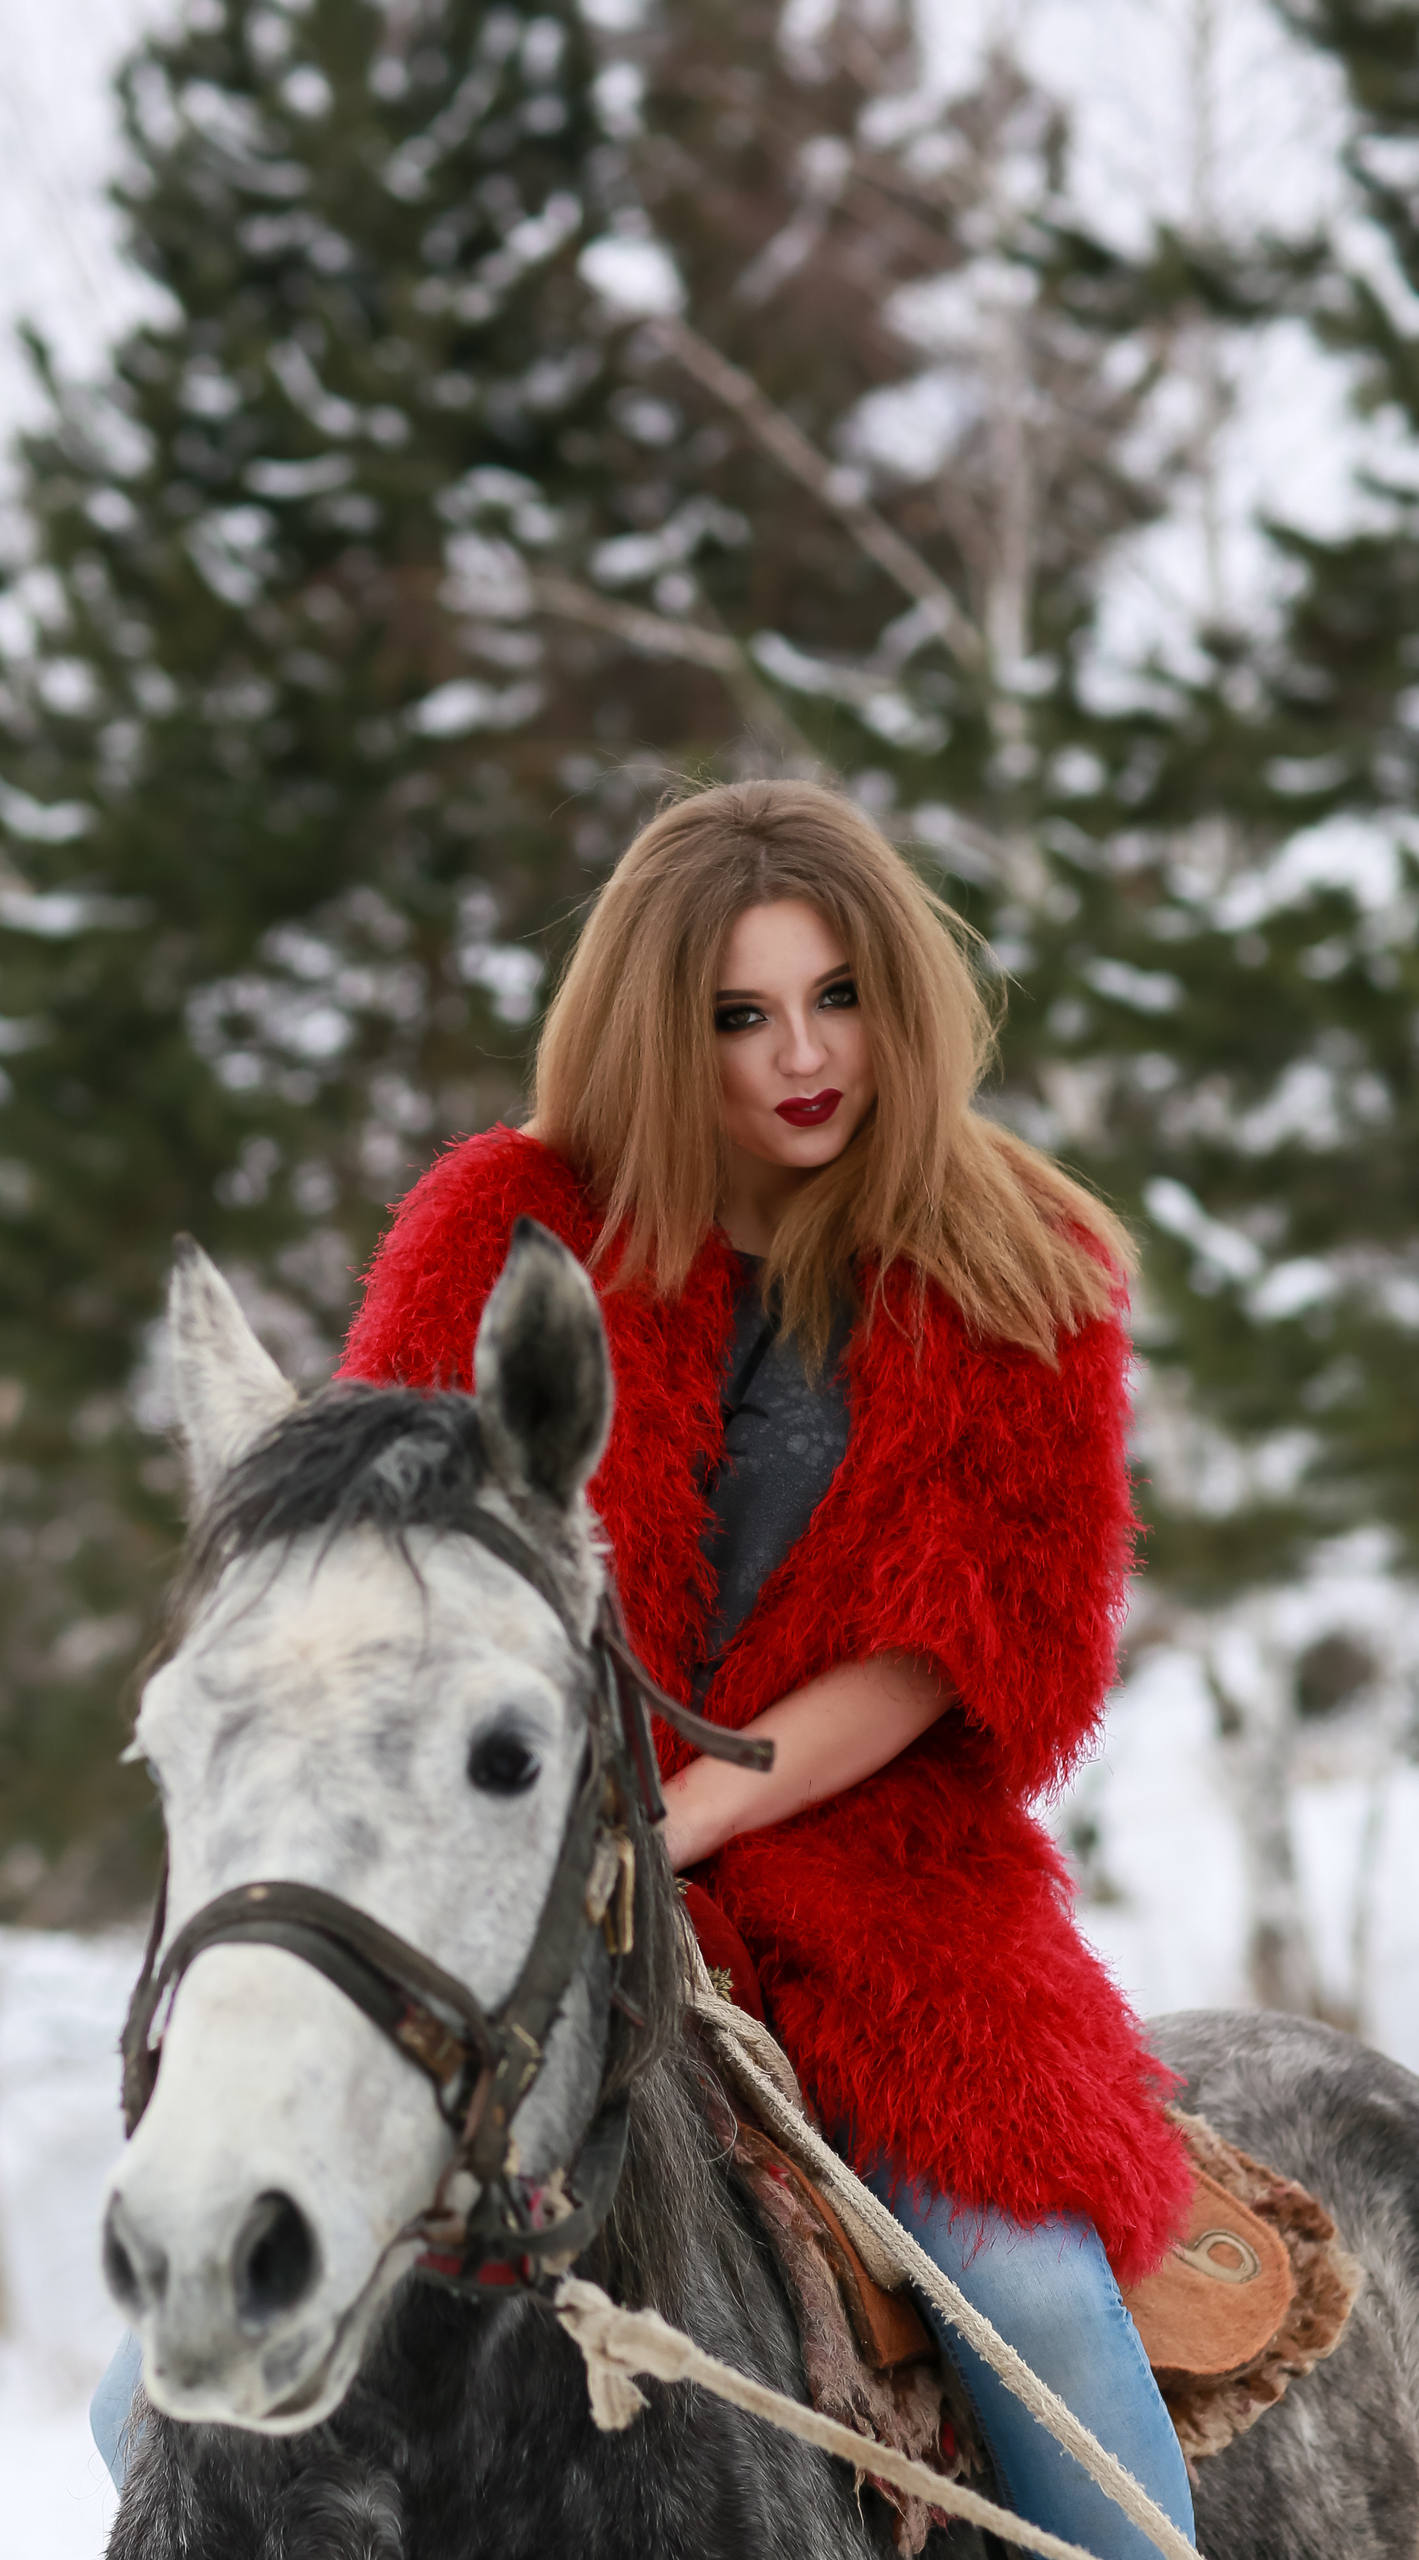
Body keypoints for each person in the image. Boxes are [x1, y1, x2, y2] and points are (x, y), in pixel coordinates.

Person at [336, 780, 1196, 2559]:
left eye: (838, 996)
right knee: (165, 2400)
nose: (803, 1055)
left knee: (1027, 2298)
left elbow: (947, 1648)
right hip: (507, 1895)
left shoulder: (1013, 1266)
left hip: (879, 1893)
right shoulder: (499, 1227)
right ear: (658, 1028)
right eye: (740, 1013)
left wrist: (674, 1817)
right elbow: (376, 1571)